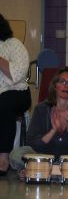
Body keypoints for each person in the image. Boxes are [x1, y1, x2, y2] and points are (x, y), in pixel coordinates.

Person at [0, 13, 31, 176]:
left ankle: (3, 158)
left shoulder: (14, 45)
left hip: (17, 92)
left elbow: (16, 74)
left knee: (4, 104)